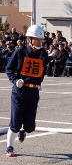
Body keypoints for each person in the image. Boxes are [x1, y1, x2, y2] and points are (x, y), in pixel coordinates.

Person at [5, 25, 49, 157]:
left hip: (34, 92)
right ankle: (9, 147)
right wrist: (15, 80)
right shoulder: (20, 51)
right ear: (30, 39)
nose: (40, 42)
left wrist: (38, 83)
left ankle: (23, 131)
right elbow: (9, 69)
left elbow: (42, 70)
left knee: (30, 127)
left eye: (41, 40)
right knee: (15, 123)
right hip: (19, 92)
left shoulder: (43, 54)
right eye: (37, 39)